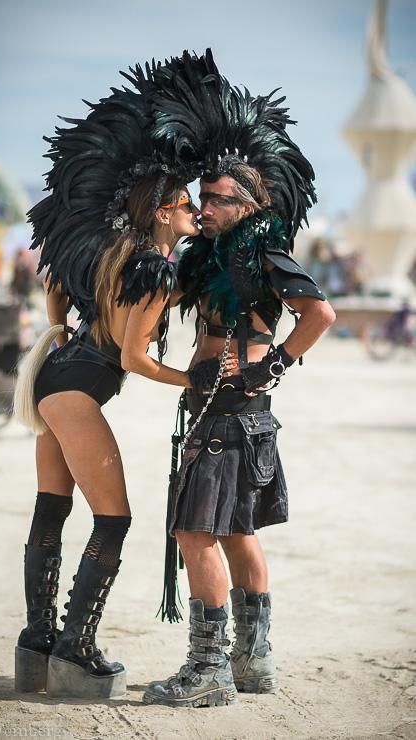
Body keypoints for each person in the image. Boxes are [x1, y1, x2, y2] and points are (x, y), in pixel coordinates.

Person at [132, 51, 336, 708]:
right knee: (238, 534)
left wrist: (275, 364)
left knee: (196, 535)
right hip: (236, 415)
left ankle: (210, 669)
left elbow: (320, 312)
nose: (208, 204)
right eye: (205, 197)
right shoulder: (216, 256)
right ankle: (253, 663)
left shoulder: (264, 252)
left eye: (218, 198)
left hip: (231, 414)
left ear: (248, 204)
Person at [13, 172, 212, 700]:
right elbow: (133, 358)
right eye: (187, 203)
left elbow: (54, 280)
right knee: (113, 521)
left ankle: (36, 646)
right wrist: (190, 380)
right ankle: (75, 650)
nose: (196, 209)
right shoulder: (155, 272)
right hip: (77, 392)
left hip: (56, 379)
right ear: (163, 213)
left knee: (51, 509)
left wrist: (60, 331)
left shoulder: (111, 252)